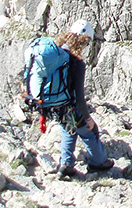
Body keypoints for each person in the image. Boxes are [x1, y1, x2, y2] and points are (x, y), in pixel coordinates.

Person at [54, 19, 114, 177]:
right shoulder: (76, 63)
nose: (86, 47)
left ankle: (66, 165)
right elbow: (79, 98)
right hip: (71, 106)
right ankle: (98, 162)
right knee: (89, 131)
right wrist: (88, 118)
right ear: (84, 40)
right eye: (87, 43)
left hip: (55, 105)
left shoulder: (57, 53)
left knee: (68, 129)